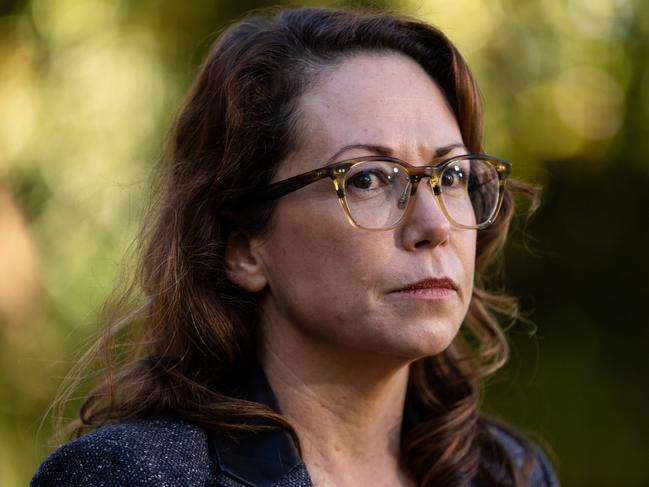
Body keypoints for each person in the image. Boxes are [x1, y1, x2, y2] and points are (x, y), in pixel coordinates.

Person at [31, 6, 559, 487]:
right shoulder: (134, 477)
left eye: (450, 175)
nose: (433, 225)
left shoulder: (510, 473)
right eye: (369, 179)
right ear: (244, 248)